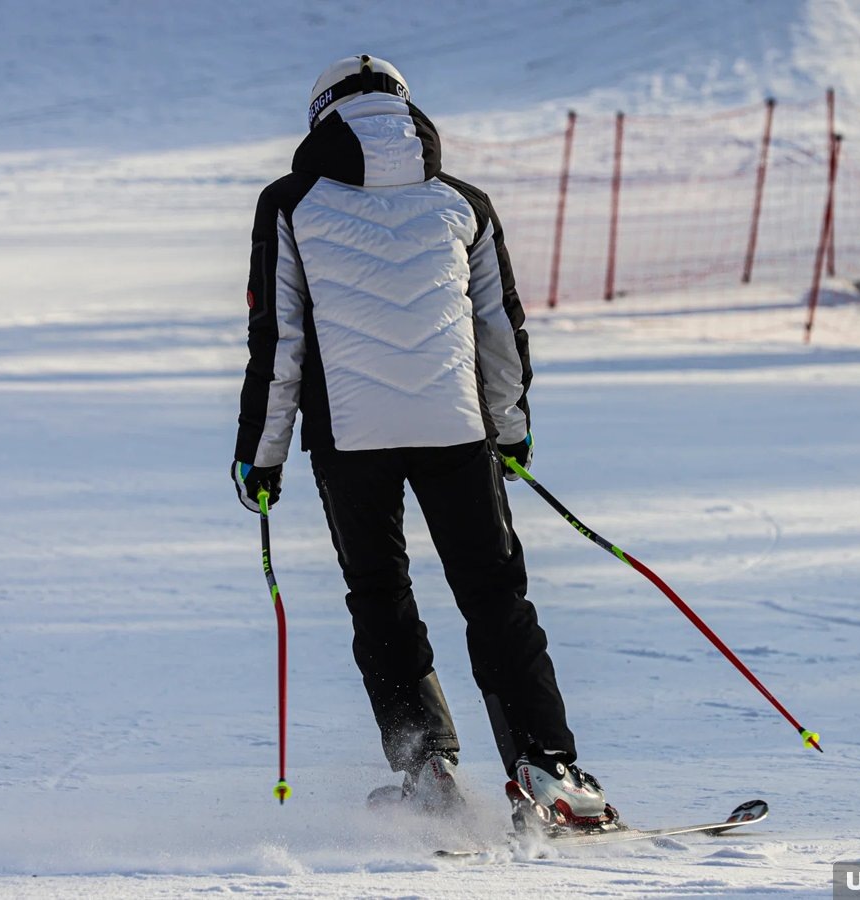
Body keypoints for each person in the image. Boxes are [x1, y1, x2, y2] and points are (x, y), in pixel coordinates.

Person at [231, 54, 609, 824]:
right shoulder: (463, 202)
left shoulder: (290, 202)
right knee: (496, 599)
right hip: (458, 430)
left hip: (350, 440)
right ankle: (550, 771)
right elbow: (500, 330)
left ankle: (427, 770)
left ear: (321, 117)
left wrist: (261, 456)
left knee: (381, 600)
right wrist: (511, 431)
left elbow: (280, 343)